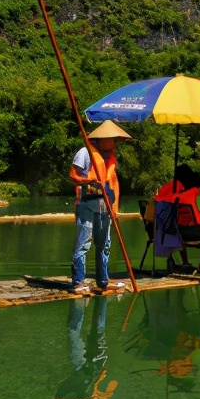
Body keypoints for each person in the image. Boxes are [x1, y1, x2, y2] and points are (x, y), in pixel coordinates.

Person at [69, 120, 132, 295]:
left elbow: (114, 182)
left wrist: (115, 208)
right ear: (101, 139)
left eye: (115, 140)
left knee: (105, 244)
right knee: (84, 243)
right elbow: (73, 175)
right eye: (111, 140)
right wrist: (88, 180)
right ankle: (77, 283)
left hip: (105, 206)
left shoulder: (110, 157)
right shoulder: (85, 153)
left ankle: (103, 281)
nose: (113, 144)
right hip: (87, 205)